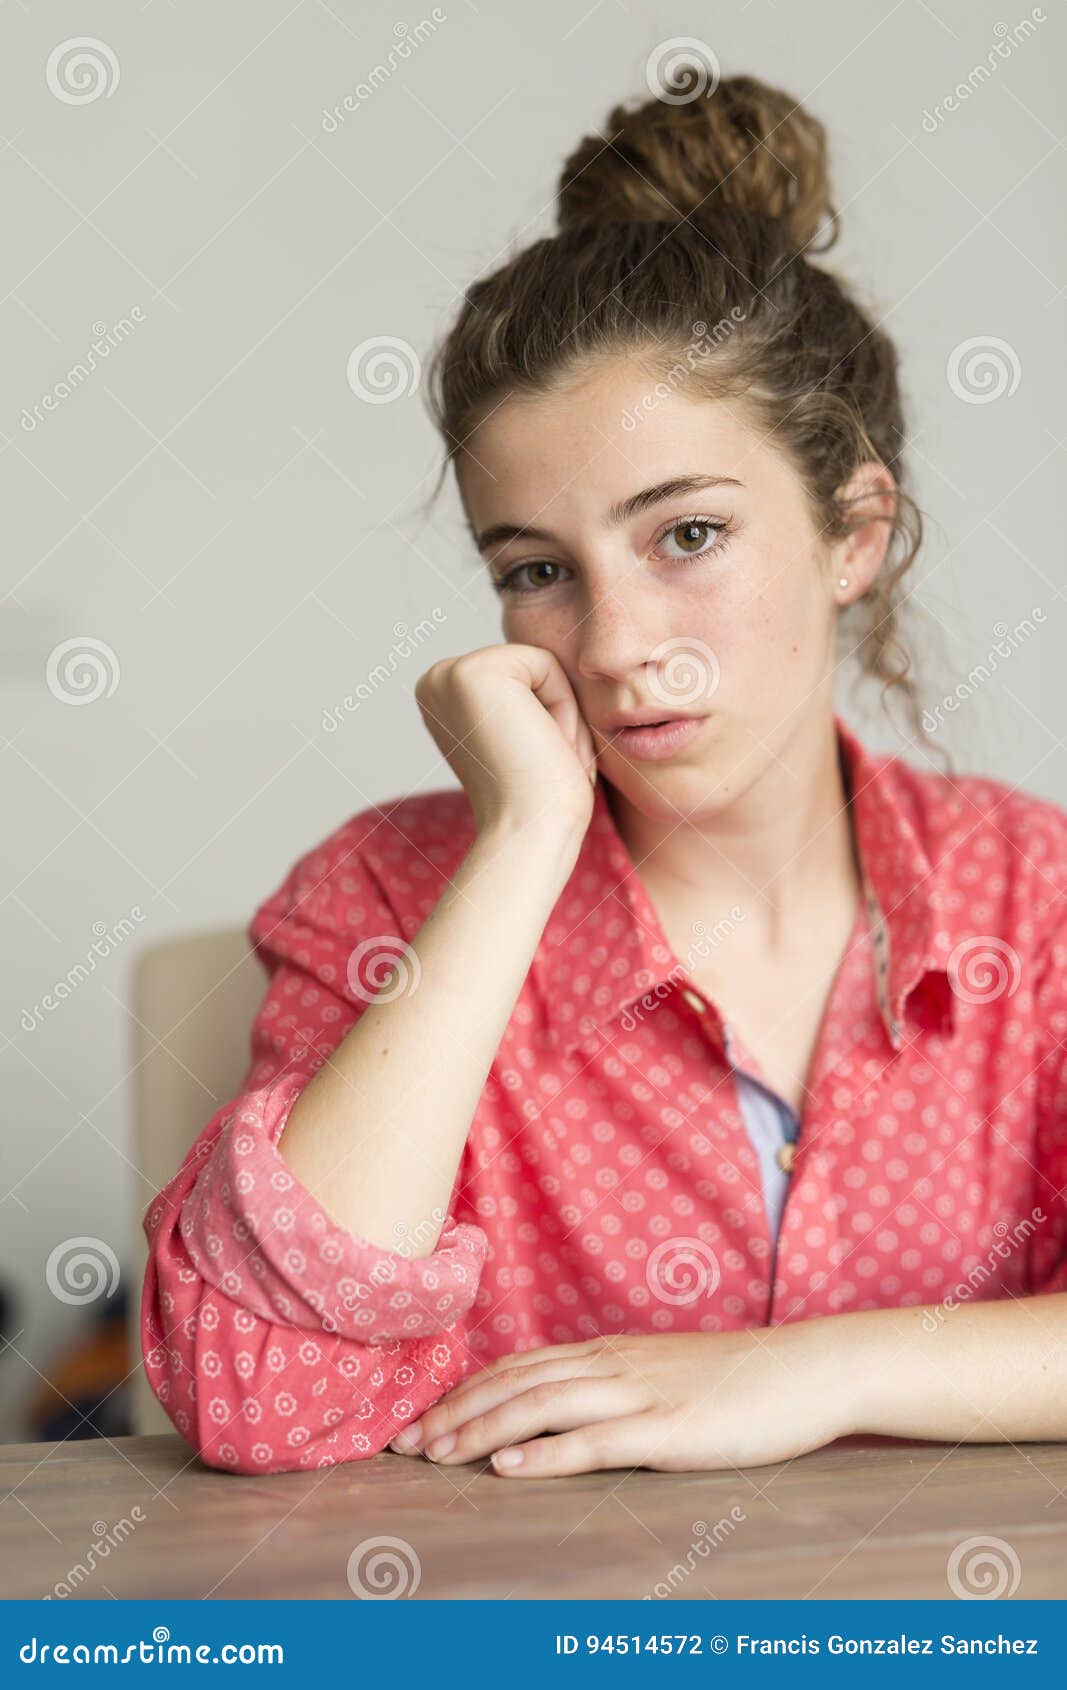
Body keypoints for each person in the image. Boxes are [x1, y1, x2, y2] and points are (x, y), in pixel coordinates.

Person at [141, 70, 1067, 1479]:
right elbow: (258, 1394)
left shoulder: (1034, 893)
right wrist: (519, 847)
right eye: (538, 572)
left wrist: (801, 1374)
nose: (620, 646)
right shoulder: (384, 897)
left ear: (853, 529)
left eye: (685, 534)